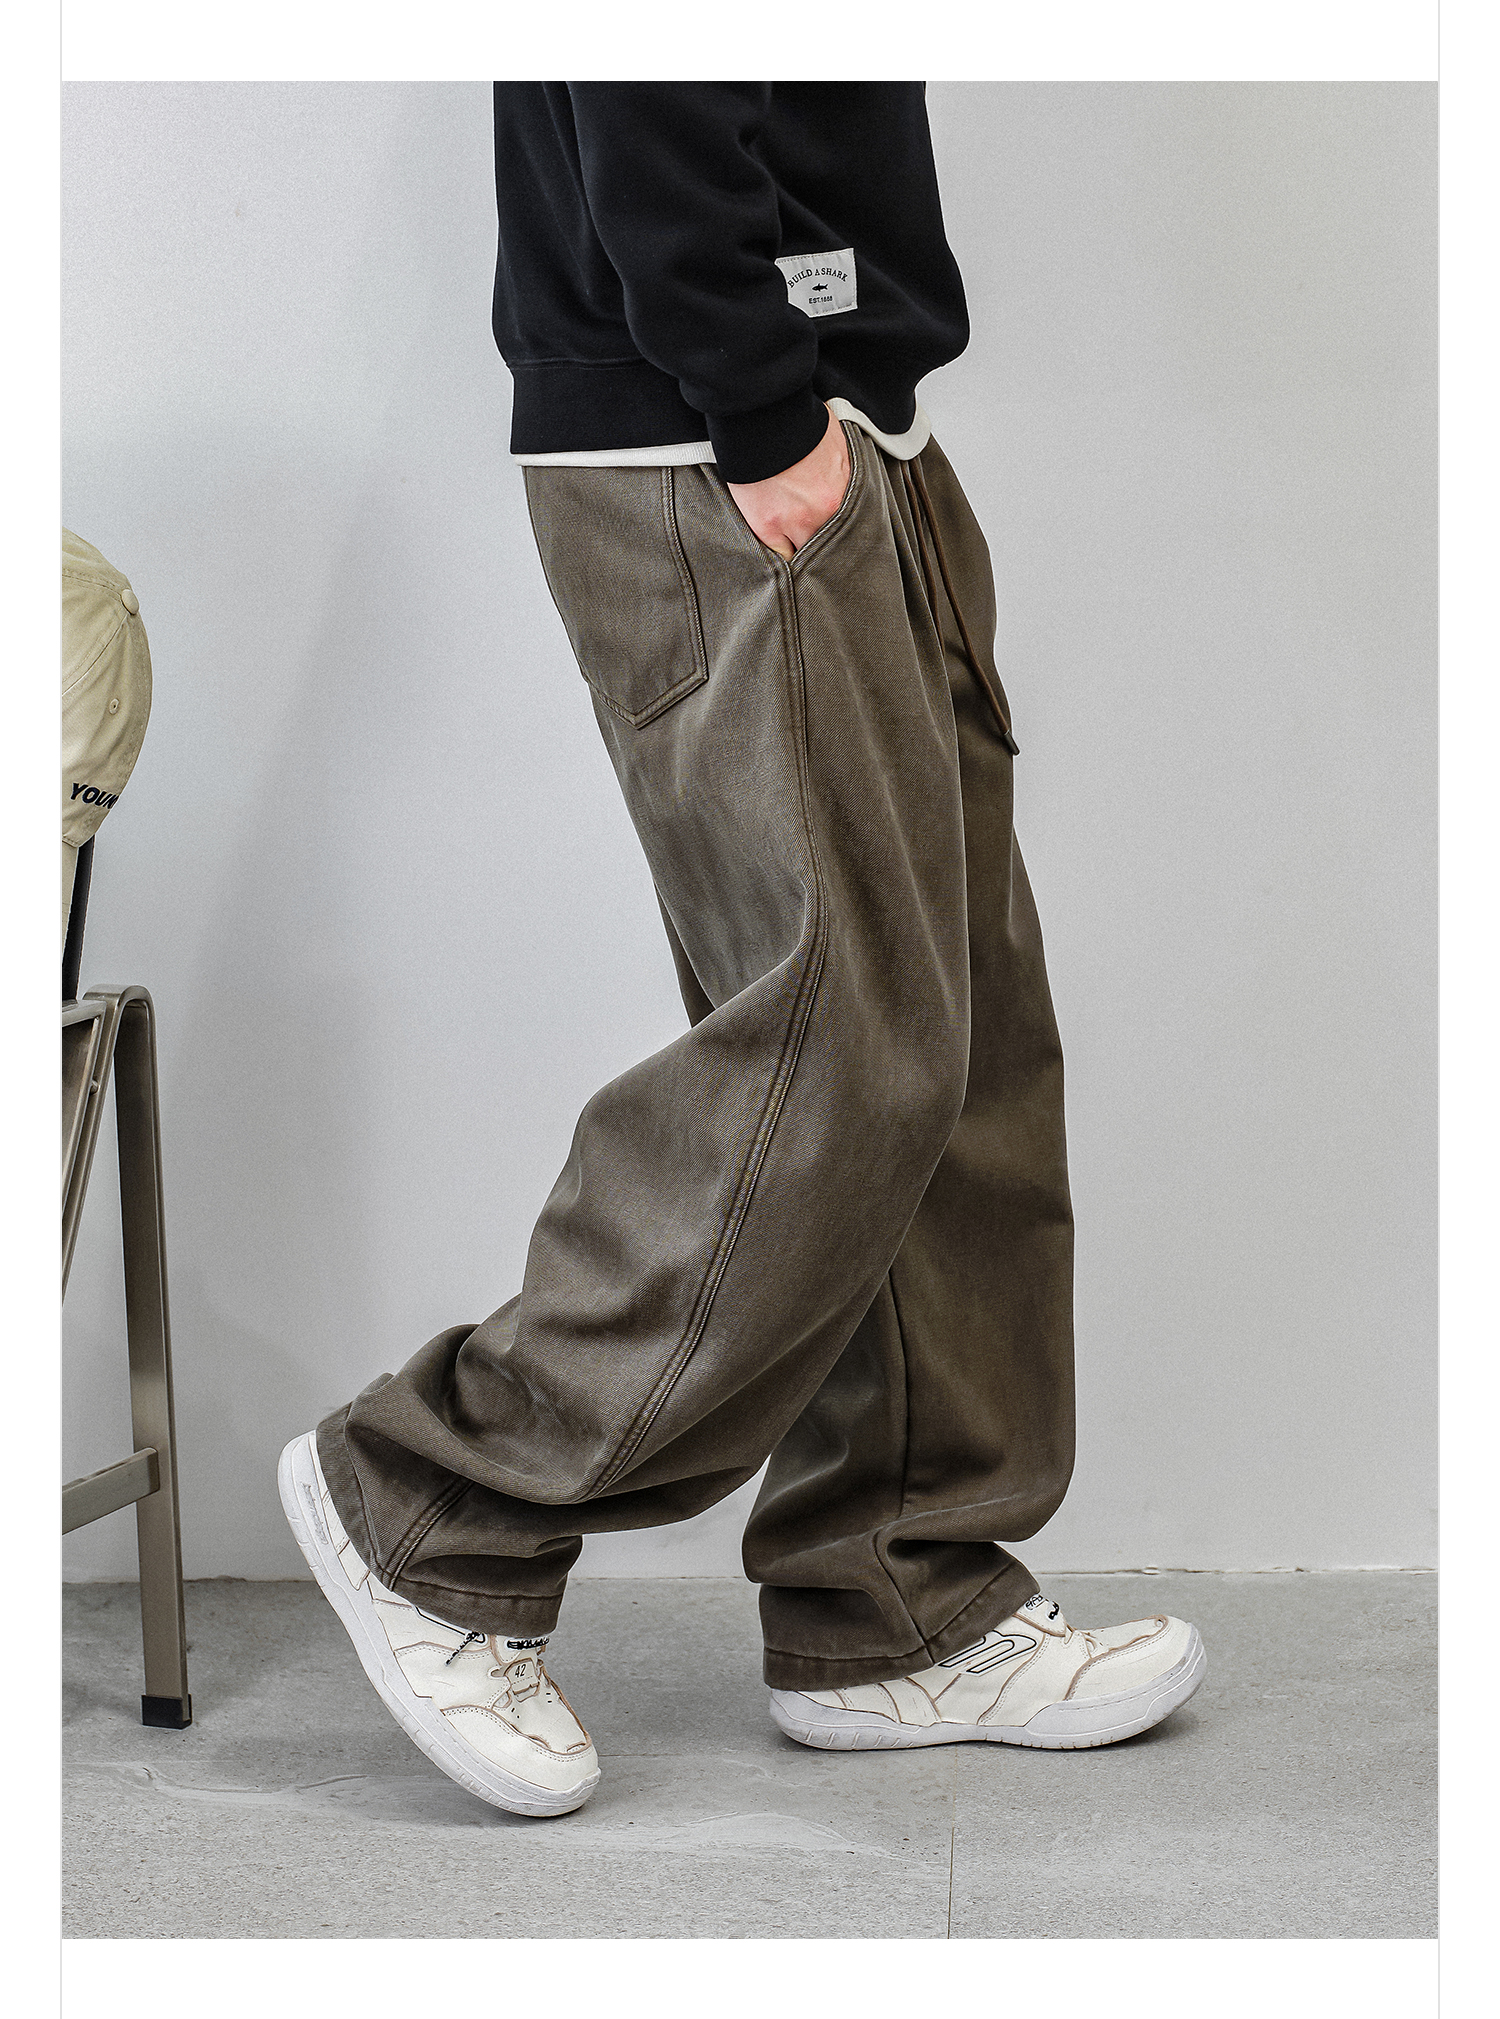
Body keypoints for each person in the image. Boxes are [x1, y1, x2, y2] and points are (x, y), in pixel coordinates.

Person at [279, 82, 1205, 1819]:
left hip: (833, 420)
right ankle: (440, 1500)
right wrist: (758, 397)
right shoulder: (749, 414)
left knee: (962, 1038)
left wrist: (815, 401)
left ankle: (898, 1601)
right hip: (726, 433)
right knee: (844, 1031)